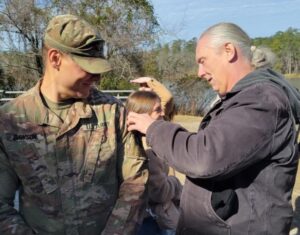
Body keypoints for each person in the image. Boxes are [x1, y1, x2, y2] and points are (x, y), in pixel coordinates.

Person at [127, 22, 300, 235]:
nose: (200, 72)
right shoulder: (243, 99)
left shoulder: (261, 101)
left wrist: (153, 128)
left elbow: (204, 156)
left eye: (203, 61)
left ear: (229, 51)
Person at [0, 14, 148, 235]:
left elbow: (136, 183)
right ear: (55, 59)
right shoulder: (10, 120)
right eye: (88, 66)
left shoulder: (112, 112)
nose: (97, 77)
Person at [126, 78, 182, 235]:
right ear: (144, 115)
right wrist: (176, 184)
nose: (163, 113)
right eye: (158, 110)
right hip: (159, 222)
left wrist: (151, 82)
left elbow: (167, 101)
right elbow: (160, 193)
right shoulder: (149, 151)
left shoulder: (151, 134)